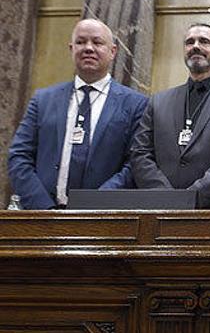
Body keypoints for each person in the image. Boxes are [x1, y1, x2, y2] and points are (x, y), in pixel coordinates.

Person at [8, 19, 148, 209]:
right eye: (81, 42)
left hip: (104, 218)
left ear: (113, 51)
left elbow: (135, 164)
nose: (88, 48)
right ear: (71, 48)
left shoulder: (135, 104)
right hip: (43, 215)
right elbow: (19, 156)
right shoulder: (43, 100)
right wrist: (43, 208)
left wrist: (94, 205)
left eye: (97, 42)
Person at [130, 23, 210, 208]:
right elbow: (140, 153)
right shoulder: (158, 101)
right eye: (189, 42)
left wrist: (191, 198)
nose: (196, 46)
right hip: (159, 211)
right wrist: (165, 197)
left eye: (204, 41)